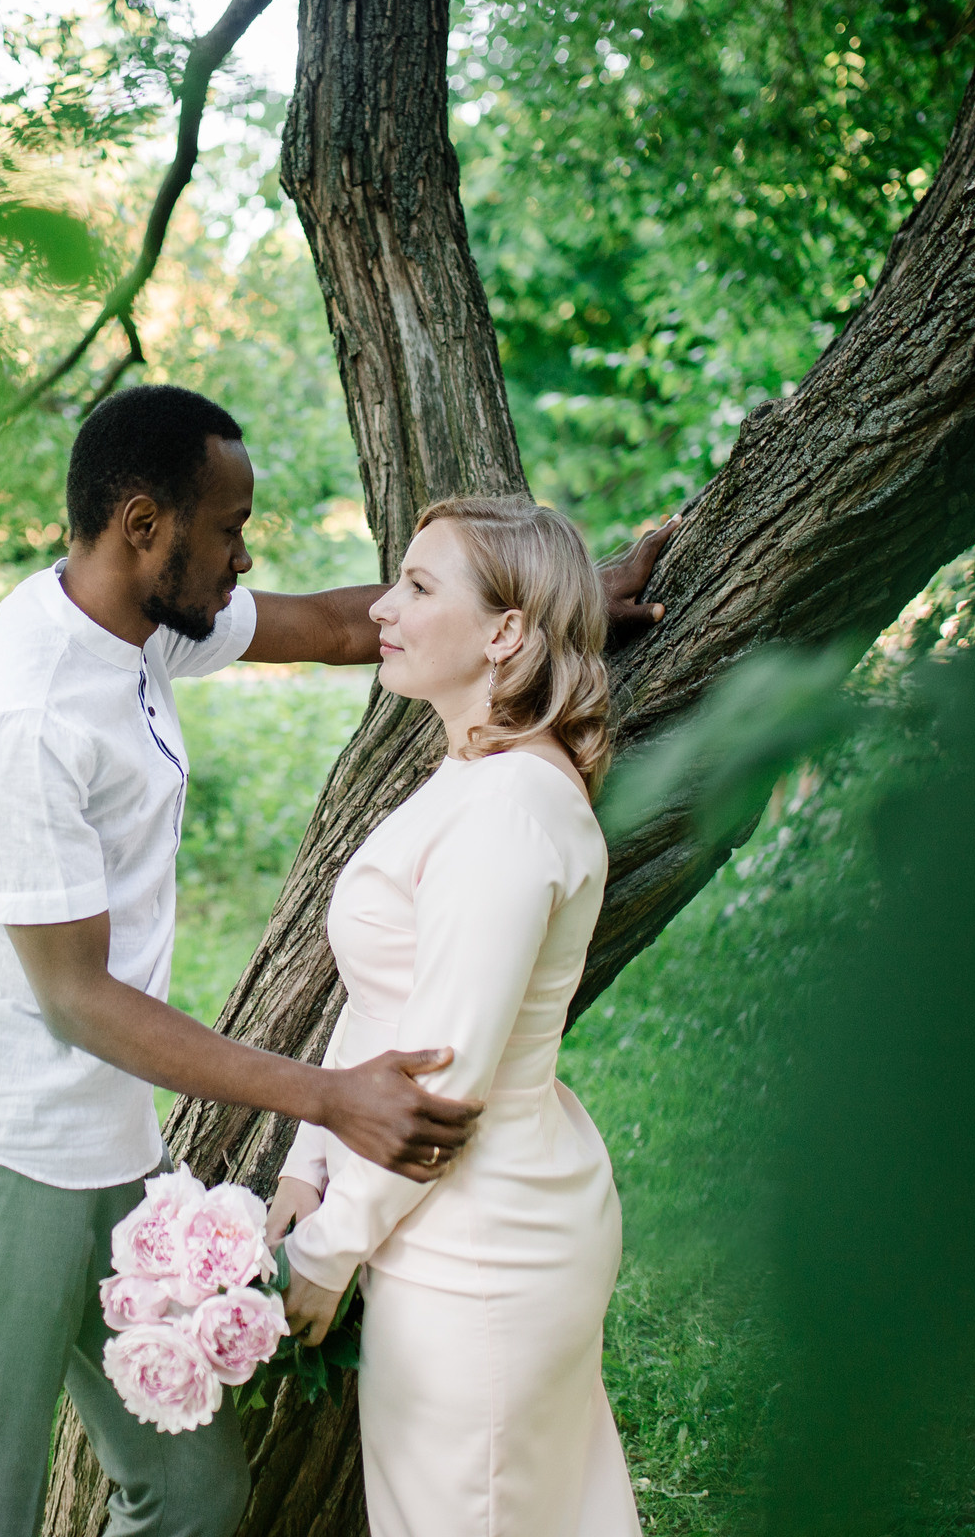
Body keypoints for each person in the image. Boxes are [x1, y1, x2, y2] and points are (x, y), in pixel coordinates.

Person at [0, 387, 669, 1537]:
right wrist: (329, 1101)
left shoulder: (138, 624)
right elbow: (75, 998)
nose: (247, 556)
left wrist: (557, 603)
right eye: (231, 529)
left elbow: (351, 629)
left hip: (102, 1142)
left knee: (193, 1498)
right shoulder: (26, 715)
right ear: (145, 526)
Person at [268, 494, 645, 1537]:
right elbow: (386, 1001)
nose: (382, 608)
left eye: (419, 587)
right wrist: (307, 1167)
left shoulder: (510, 811)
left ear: (507, 632)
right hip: (448, 1222)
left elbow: (442, 1076)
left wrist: (326, 1250)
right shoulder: (469, 777)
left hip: (482, 1246)